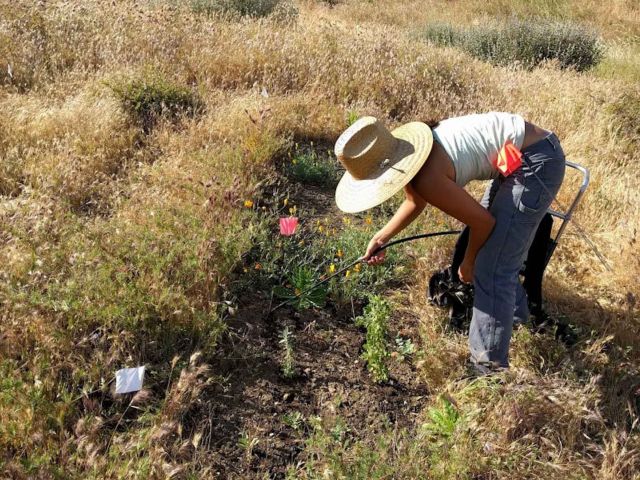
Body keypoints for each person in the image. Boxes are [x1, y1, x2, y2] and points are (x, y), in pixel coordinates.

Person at [333, 112, 566, 374]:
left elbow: (483, 223)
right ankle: (517, 323)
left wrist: (468, 263)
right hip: (516, 156)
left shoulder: (426, 176)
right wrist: (381, 237)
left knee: (491, 268)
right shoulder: (412, 156)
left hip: (535, 161)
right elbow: (414, 201)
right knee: (496, 251)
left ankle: (488, 371)